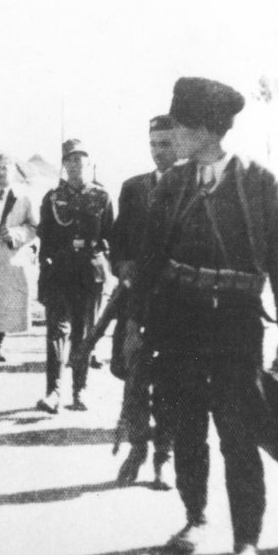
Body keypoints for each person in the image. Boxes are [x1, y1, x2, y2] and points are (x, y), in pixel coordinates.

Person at [128, 77, 278, 555]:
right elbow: (150, 256)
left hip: (236, 323)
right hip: (178, 319)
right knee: (187, 428)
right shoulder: (172, 185)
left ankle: (247, 545)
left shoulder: (260, 182)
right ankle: (195, 517)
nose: (173, 135)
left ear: (203, 129)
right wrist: (135, 322)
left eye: (179, 126)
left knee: (238, 434)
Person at [110, 114, 176, 488]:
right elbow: (118, 240)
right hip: (136, 301)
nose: (158, 151)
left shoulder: (193, 188)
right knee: (133, 380)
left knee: (169, 385)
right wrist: (122, 265)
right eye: (153, 144)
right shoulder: (133, 188)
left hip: (176, 304)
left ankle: (163, 457)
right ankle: (137, 449)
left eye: (165, 144)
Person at [35, 138, 114, 413]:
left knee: (84, 333)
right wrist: (44, 274)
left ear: (89, 163)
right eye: (70, 159)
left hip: (89, 274)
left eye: (80, 159)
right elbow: (45, 238)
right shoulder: (52, 198)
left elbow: (110, 236)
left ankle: (80, 391)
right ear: (64, 164)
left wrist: (103, 260)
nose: (75, 164)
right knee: (56, 331)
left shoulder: (102, 197)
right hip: (60, 272)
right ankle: (53, 392)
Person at [0, 152, 38, 364]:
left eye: (5, 168)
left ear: (13, 171)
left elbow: (33, 227)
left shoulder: (23, 197)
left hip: (8, 252)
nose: (1, 172)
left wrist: (15, 234)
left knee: (4, 300)